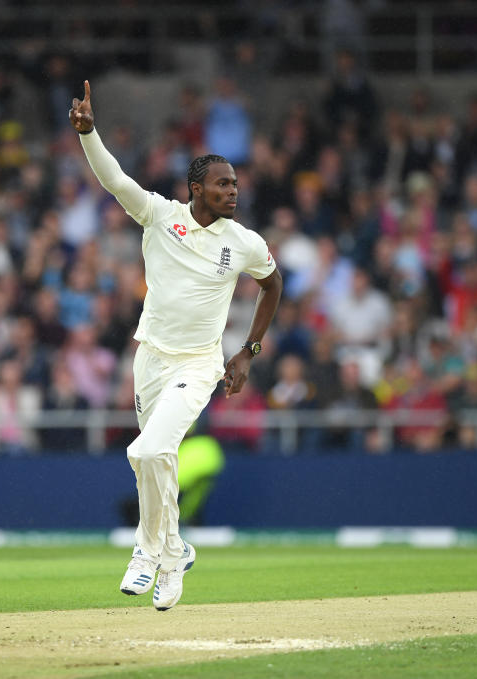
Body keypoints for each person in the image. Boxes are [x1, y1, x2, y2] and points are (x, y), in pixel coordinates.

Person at [69, 81, 282, 610]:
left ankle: (145, 553)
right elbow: (116, 181)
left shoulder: (245, 242)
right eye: (222, 185)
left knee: (148, 450)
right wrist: (89, 134)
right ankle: (175, 553)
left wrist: (247, 353)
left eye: (235, 184)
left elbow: (273, 285)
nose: (233, 192)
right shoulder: (162, 217)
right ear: (195, 189)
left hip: (200, 364)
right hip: (151, 358)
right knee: (156, 461)